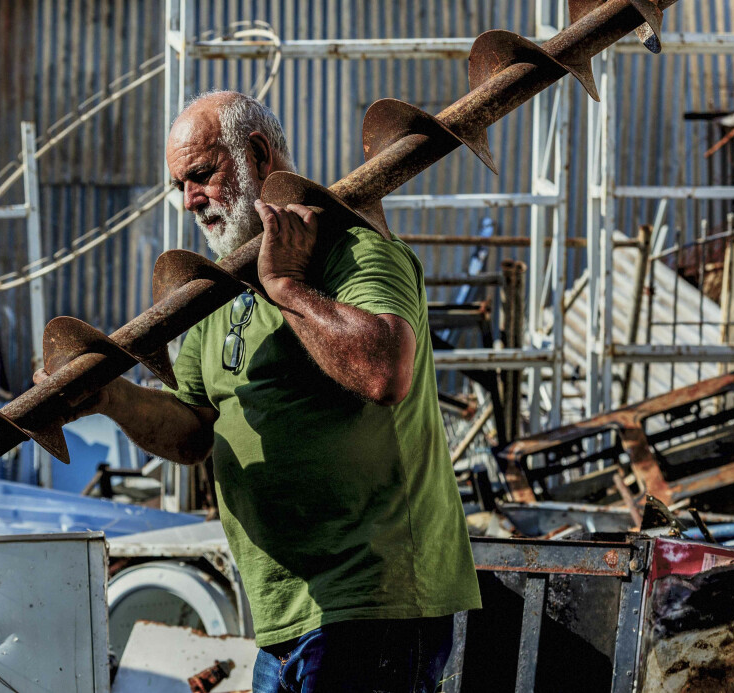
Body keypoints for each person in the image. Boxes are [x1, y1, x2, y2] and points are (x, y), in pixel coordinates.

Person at [39, 90, 480, 692]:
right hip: (283, 615)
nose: (190, 200)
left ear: (257, 154)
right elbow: (194, 429)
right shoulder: (220, 295)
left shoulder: (354, 252)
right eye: (180, 187)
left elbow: (385, 372)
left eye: (202, 174)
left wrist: (288, 287)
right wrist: (111, 399)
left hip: (373, 603)